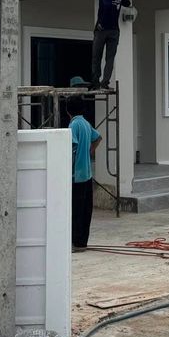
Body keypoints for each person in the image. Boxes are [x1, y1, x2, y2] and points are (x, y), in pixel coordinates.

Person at [68, 97, 102, 252]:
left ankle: (75, 242)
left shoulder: (74, 125)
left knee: (76, 210)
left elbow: (72, 147)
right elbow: (98, 137)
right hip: (87, 174)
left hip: (77, 175)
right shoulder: (86, 124)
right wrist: (89, 152)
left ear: (68, 110)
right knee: (86, 210)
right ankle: (82, 243)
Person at [90, 0, 131, 89]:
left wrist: (101, 23)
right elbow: (127, 3)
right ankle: (105, 82)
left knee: (96, 56)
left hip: (102, 29)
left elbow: (107, 5)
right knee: (110, 58)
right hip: (114, 30)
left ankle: (95, 82)